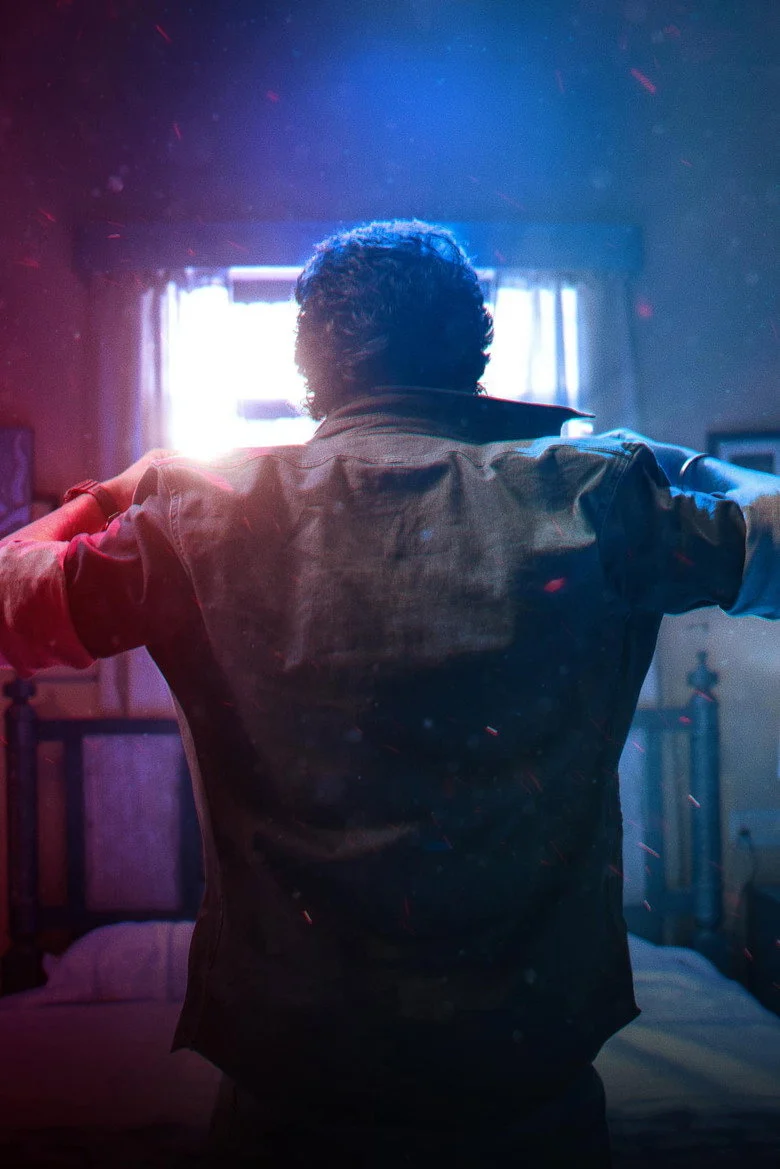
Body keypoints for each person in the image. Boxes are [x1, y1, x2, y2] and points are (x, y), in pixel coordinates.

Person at [1, 220, 779, 1168]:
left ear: (308, 364)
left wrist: (111, 494)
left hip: (290, 1101)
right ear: (474, 351)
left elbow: (8, 601)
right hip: (525, 1093)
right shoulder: (594, 496)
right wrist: (668, 462)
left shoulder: (198, 518)